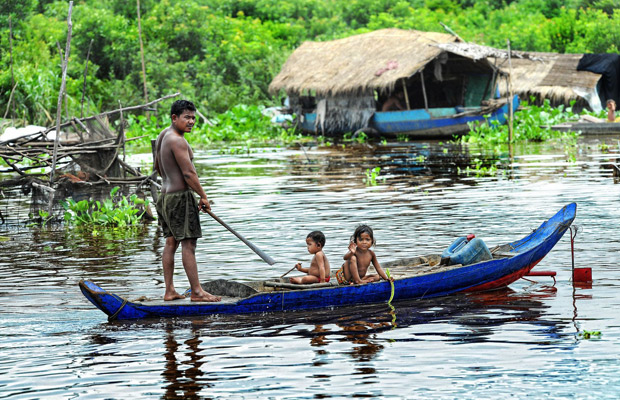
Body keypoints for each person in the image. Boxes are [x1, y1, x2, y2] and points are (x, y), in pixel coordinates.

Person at [153, 99, 221, 302]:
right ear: (174, 118)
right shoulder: (178, 140)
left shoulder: (163, 135)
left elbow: (157, 166)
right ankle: (197, 292)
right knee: (189, 243)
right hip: (178, 198)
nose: (191, 121)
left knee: (171, 242)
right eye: (186, 118)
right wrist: (203, 196)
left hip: (164, 197)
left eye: (193, 118)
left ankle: (170, 291)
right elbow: (189, 173)